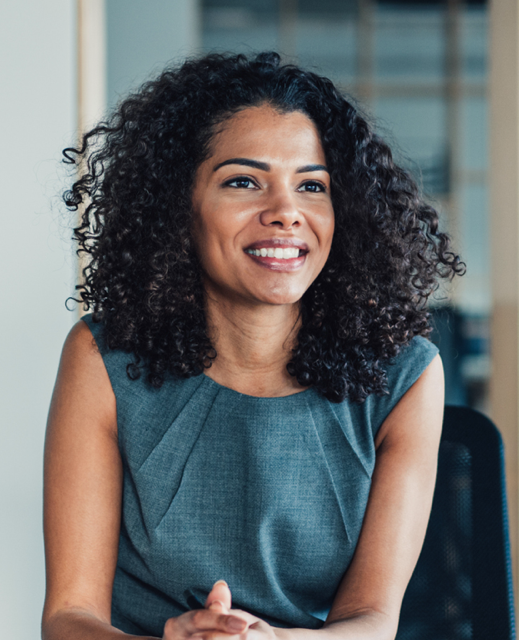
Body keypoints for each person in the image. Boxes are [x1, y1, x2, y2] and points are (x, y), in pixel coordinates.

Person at [42, 52, 463, 640]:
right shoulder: (103, 358)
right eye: (244, 181)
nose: (287, 213)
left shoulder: (406, 374)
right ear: (178, 204)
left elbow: (371, 621)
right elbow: (68, 617)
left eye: (311, 186)